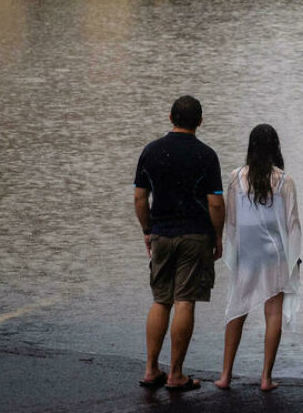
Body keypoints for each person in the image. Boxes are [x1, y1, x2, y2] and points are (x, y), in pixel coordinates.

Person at [133, 95, 224, 392]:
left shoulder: (151, 151)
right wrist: (217, 236)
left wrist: (148, 229)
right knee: (185, 300)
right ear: (199, 121)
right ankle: (175, 375)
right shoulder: (206, 155)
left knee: (161, 299)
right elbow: (215, 203)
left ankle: (150, 370)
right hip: (195, 235)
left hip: (161, 233)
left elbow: (139, 198)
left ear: (170, 118)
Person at [214, 124, 301, 393]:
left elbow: (232, 220)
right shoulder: (284, 180)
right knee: (272, 310)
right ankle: (265, 378)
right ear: (276, 147)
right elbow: (292, 223)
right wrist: (295, 256)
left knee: (236, 307)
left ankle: (226, 376)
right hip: (274, 252)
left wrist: (231, 249)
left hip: (248, 251)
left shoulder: (235, 177)